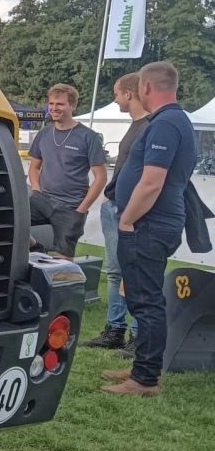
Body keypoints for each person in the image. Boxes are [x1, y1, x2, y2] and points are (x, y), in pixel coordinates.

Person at [102, 61, 197, 396]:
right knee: (143, 299)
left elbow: (151, 182)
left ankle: (145, 380)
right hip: (154, 223)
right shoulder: (172, 120)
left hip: (148, 225)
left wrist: (127, 219)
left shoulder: (166, 124)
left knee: (146, 302)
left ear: (144, 88)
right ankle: (142, 366)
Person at [83, 73, 148, 350]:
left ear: (130, 94)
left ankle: (135, 333)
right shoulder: (136, 126)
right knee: (114, 271)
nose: (115, 98)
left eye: (117, 93)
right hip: (116, 206)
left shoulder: (149, 127)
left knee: (133, 271)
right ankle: (115, 329)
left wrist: (129, 210)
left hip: (129, 210)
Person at [28, 83, 108, 256]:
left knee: (62, 261)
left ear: (72, 105)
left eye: (60, 104)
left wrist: (82, 208)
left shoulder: (88, 137)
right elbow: (34, 167)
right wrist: (35, 188)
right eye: (51, 104)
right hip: (42, 200)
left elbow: (100, 177)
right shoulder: (44, 134)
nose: (54, 108)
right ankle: (35, 248)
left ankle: (62, 280)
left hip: (71, 206)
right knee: (9, 221)